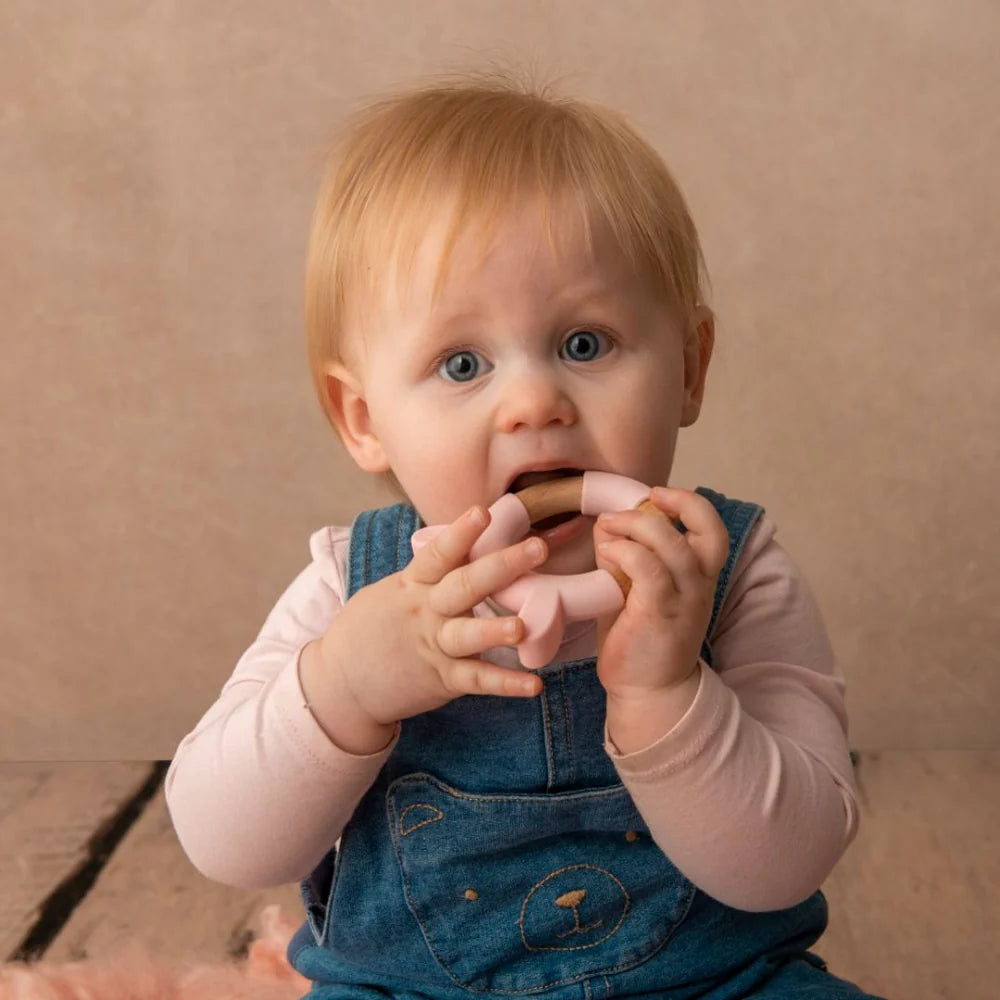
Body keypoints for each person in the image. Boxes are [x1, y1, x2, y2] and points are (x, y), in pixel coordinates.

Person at [166, 70, 883, 999]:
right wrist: (344, 687)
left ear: (689, 368)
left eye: (585, 344)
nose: (535, 402)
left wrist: (667, 693)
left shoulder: (731, 571)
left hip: (717, 984)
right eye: (462, 363)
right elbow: (223, 843)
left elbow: (787, 863)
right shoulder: (351, 587)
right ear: (363, 419)